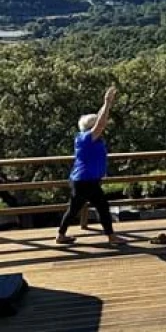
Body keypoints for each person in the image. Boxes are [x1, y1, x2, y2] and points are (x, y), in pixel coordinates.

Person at [56, 84, 120, 245]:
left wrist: (106, 105)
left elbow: (99, 120)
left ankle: (111, 236)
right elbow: (101, 123)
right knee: (75, 209)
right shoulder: (86, 138)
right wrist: (107, 102)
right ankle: (60, 235)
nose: (102, 128)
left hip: (88, 180)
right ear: (91, 127)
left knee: (100, 207)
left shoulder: (89, 137)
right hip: (84, 181)